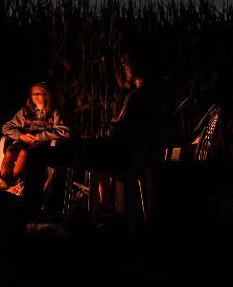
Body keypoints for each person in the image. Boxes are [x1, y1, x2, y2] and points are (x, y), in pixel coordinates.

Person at [20, 41, 178, 221]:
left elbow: (117, 134)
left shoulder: (139, 96)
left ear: (136, 64)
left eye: (125, 64)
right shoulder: (159, 94)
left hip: (115, 156)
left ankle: (31, 214)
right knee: (65, 147)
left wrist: (106, 129)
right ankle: (53, 208)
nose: (124, 69)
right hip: (130, 155)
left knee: (36, 155)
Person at [0, 81, 70, 195]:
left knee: (24, 153)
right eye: (33, 94)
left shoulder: (54, 112)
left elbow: (64, 132)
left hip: (41, 144)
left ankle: (12, 184)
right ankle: (3, 181)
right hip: (24, 141)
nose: (35, 97)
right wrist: (21, 136)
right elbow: (6, 127)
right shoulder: (25, 111)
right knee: (9, 153)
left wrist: (40, 136)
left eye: (38, 93)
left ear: (46, 95)